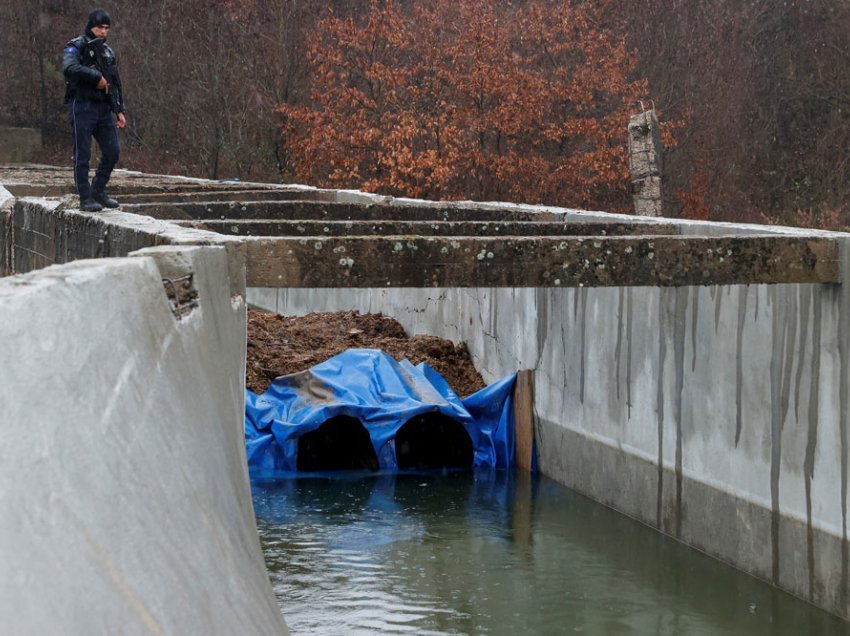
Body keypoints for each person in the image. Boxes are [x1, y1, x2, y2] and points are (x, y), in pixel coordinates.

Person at [63, 9, 126, 212]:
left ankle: (98, 189)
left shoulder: (108, 52)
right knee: (82, 154)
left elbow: (114, 82)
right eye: (100, 27)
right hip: (81, 104)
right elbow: (70, 68)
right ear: (91, 26)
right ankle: (85, 197)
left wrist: (118, 110)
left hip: (102, 107)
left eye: (107, 28)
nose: (103, 32)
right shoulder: (76, 45)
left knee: (112, 150)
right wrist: (94, 77)